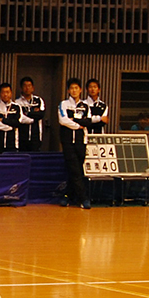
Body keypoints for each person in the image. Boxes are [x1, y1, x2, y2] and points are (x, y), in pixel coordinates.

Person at [58, 78, 90, 208]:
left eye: (76, 88)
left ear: (80, 90)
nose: (74, 90)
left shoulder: (85, 106)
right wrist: (78, 124)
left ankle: (67, 196)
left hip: (81, 142)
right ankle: (83, 199)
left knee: (76, 170)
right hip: (67, 142)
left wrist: (75, 119)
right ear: (68, 90)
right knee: (75, 170)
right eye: (71, 88)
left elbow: (88, 122)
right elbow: (63, 120)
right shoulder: (63, 104)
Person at [0, 82, 30, 153]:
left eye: (7, 92)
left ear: (11, 93)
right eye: (3, 92)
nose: (5, 95)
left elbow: (17, 122)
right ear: (0, 93)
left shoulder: (17, 107)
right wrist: (10, 127)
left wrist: (4, 120)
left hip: (12, 144)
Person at [14, 76, 46, 152]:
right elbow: (20, 118)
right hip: (21, 137)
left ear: (33, 88)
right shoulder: (17, 102)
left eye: (29, 86)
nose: (27, 88)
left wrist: (27, 113)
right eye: (25, 86)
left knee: (35, 159)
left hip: (36, 136)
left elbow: (41, 115)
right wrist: (33, 113)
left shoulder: (38, 100)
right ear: (21, 88)